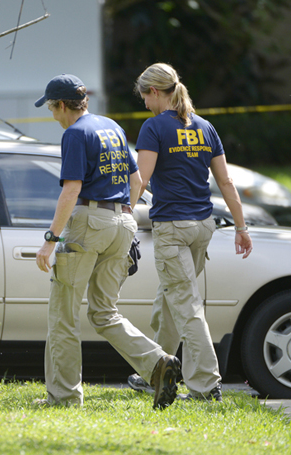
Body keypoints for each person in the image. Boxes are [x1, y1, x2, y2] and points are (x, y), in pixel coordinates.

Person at [33, 74, 180, 409]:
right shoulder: (111, 127)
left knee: (64, 315)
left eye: (52, 108)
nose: (52, 115)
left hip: (89, 221)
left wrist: (51, 240)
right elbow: (137, 178)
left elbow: (71, 190)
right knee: (104, 312)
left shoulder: (74, 133)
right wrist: (125, 213)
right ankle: (157, 362)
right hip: (123, 221)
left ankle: (64, 398)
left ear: (63, 105)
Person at [127, 63, 253, 401]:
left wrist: (124, 212)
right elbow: (225, 181)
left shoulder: (153, 128)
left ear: (155, 92)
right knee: (168, 302)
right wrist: (241, 227)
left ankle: (206, 384)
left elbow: (142, 178)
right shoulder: (205, 127)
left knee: (186, 305)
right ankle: (155, 368)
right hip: (202, 227)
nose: (143, 103)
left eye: (144, 96)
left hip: (172, 228)